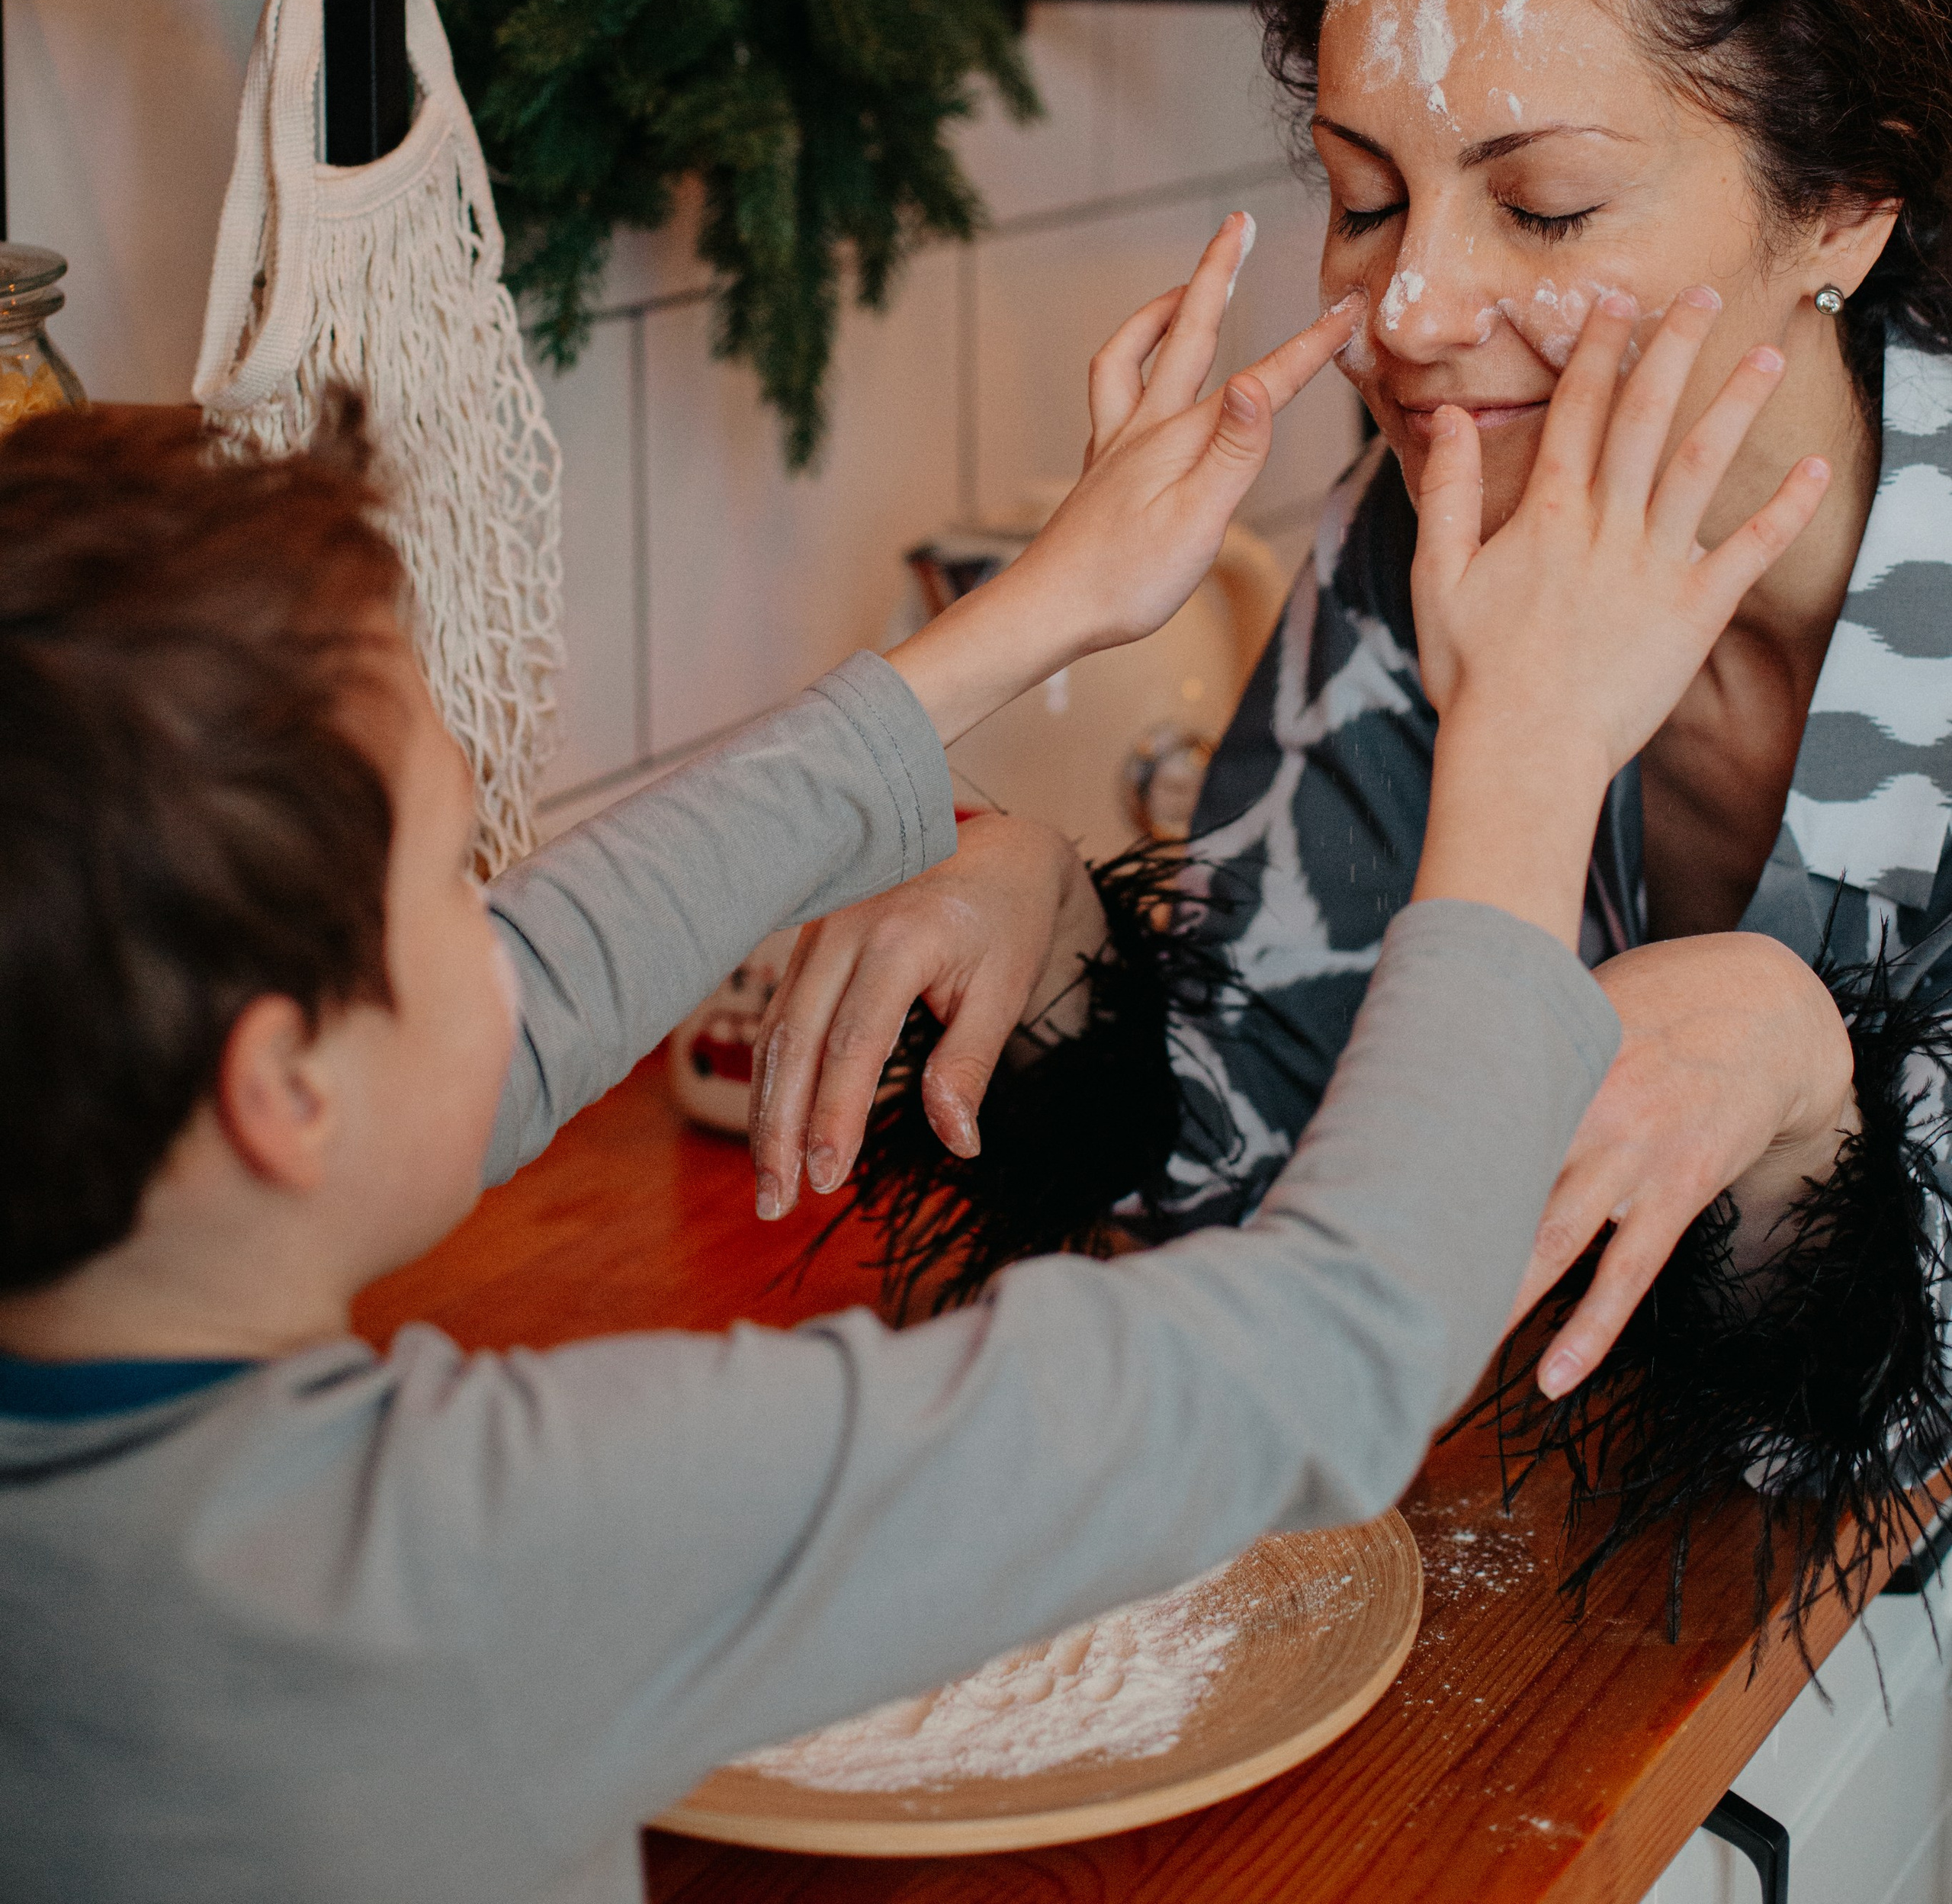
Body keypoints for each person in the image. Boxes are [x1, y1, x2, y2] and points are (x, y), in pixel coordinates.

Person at [0, 237, 1815, 1904]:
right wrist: (1531, 744)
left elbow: (536, 988)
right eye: (452, 886)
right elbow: (1326, 1356)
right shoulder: (458, 1561)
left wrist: (1026, 621)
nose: (513, 936)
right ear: (280, 1093)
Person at [752, 0, 1952, 1620]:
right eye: (1369, 196)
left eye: (1545, 206)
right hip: (1622, 1643)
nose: (1407, 316)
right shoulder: (1425, 528)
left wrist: (1809, 1083)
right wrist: (1054, 967)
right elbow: (1302, 1168)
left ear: (1844, 200)